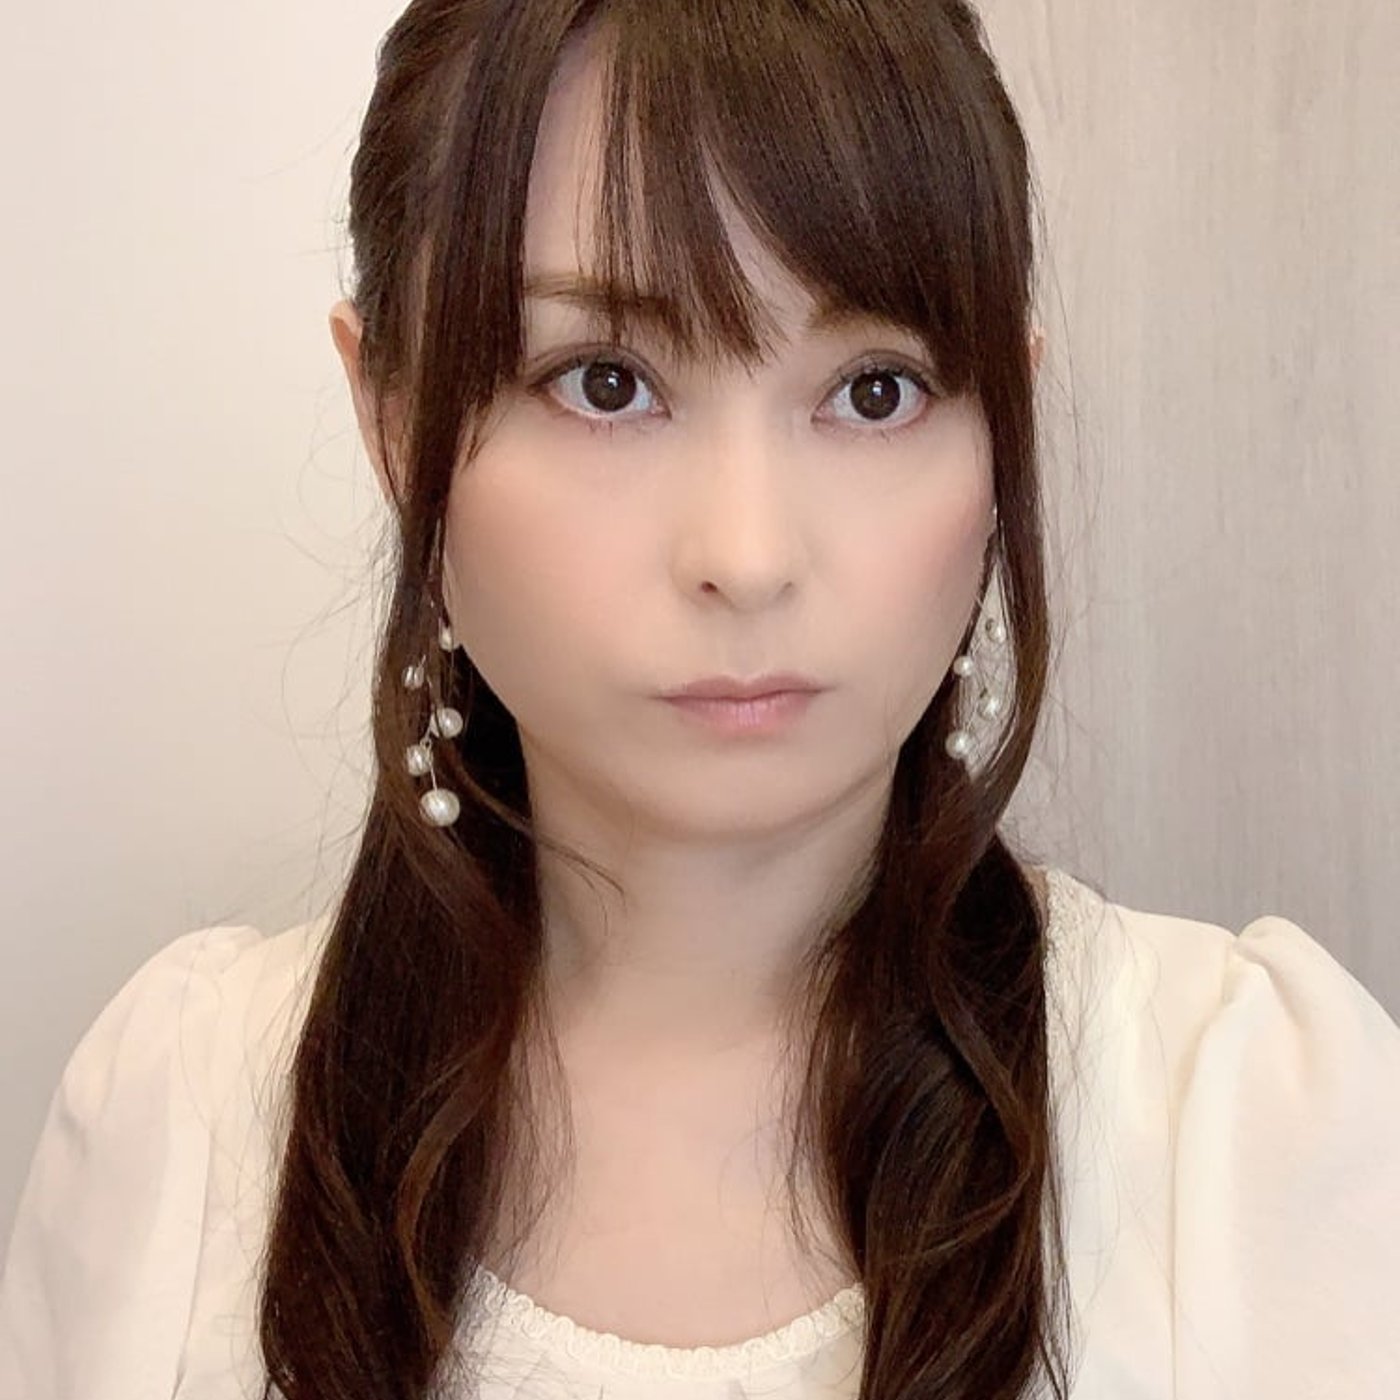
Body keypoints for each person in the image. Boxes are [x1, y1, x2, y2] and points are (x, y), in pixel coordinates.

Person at [3, 2, 1398, 1397]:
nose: (747, 553)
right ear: (392, 417)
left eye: (875, 392)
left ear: (1003, 433)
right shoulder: (180, 1127)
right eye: (606, 384)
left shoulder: (1250, 1129)